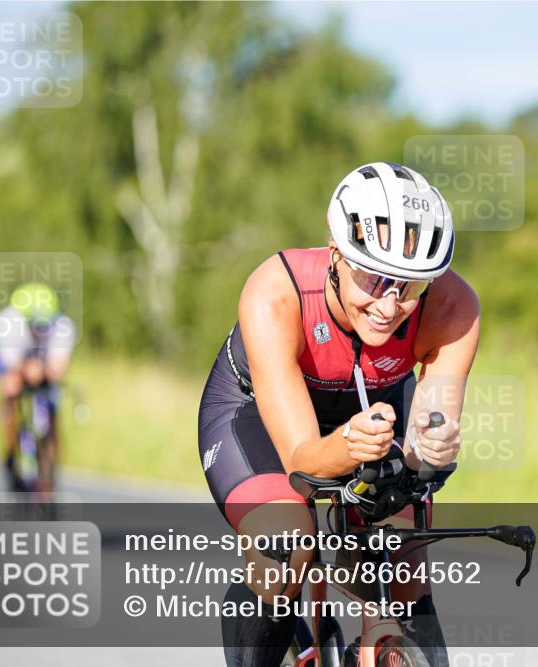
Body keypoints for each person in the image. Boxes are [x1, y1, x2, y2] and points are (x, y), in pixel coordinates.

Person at [198, 161, 480, 667]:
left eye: (411, 286)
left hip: (374, 409)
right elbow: (304, 461)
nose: (390, 305)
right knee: (285, 543)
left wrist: (429, 452)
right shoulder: (275, 293)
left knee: (405, 563)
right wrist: (348, 446)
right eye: (374, 279)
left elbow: (428, 433)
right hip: (255, 416)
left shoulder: (454, 307)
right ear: (335, 254)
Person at [0, 282, 76, 491]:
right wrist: (25, 369)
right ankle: (11, 451)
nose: (40, 330)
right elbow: (11, 365)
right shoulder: (6, 324)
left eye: (45, 325)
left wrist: (48, 371)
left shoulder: (64, 326)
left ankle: (49, 465)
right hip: (15, 361)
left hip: (43, 362)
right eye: (35, 325)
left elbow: (58, 367)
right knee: (11, 389)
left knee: (52, 402)